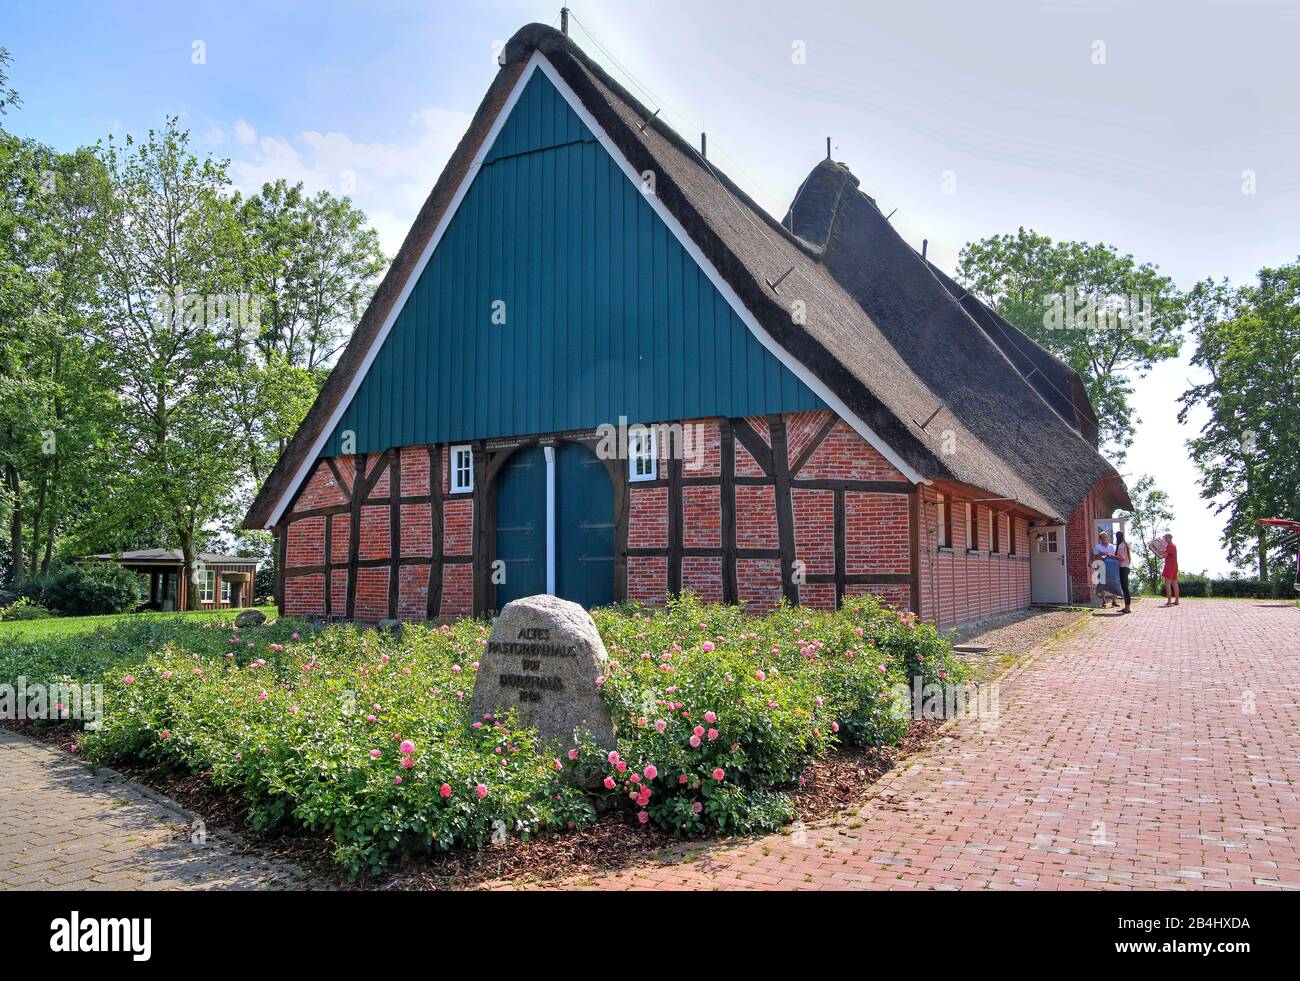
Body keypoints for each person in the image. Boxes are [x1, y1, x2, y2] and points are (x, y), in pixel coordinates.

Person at [1092, 531, 1118, 608]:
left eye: (1106, 537)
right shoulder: (1097, 547)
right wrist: (1100, 554)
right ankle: (1104, 601)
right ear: (1100, 539)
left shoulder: (1112, 547)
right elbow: (1095, 557)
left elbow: (1116, 556)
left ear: (1108, 538)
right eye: (1103, 538)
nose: (1105, 539)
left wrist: (1106, 554)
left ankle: (1114, 601)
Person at [1114, 531, 1132, 614]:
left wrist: (1112, 555)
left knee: (1125, 588)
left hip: (1123, 568)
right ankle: (1126, 607)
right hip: (1126, 567)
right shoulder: (1125, 545)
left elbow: (1122, 558)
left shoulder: (1121, 545)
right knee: (1125, 588)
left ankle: (1127, 608)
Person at [1161, 532, 1179, 606]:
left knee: (1167, 583)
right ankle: (1176, 600)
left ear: (1169, 538)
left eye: (1165, 538)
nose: (1164, 539)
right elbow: (1168, 553)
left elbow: (1164, 556)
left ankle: (1169, 600)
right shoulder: (1174, 546)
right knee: (1175, 583)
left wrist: (1160, 551)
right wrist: (1163, 551)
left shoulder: (1169, 546)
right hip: (1175, 566)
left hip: (1169, 566)